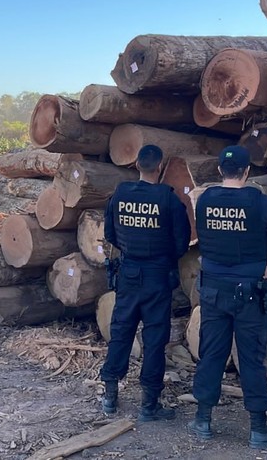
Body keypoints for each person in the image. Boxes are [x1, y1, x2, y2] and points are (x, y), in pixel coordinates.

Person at [188, 145, 267, 449]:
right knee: (252, 359)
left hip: (213, 288)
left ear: (220, 170)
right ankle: (258, 429)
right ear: (247, 172)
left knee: (211, 354)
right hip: (250, 291)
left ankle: (203, 419)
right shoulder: (260, 202)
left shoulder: (204, 200)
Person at [99, 144, 191, 422]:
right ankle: (149, 405)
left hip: (128, 273)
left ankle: (110, 397)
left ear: (136, 166)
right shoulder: (169, 200)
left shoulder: (120, 194)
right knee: (154, 340)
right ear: (160, 167)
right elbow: (181, 243)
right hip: (157, 276)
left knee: (121, 332)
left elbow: (110, 234)